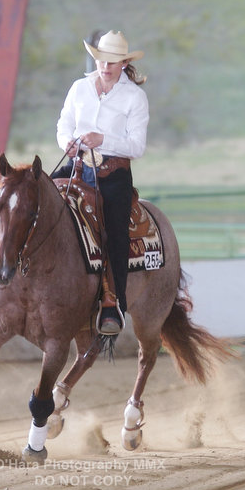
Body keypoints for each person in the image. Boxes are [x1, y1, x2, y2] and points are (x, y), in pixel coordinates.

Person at [53, 29, 149, 335]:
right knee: (31, 198)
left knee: (116, 233)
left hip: (114, 173)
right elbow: (64, 124)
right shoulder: (79, 88)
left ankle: (114, 303)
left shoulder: (135, 97)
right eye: (101, 60)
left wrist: (103, 139)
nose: (105, 66)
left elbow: (137, 146)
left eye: (112, 61)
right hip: (78, 165)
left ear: (124, 63)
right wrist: (67, 142)